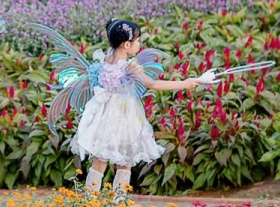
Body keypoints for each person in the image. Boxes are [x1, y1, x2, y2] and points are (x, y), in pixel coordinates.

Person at [73, 19, 215, 194]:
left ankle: (90, 202)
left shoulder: (103, 62)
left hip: (104, 115)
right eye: (137, 40)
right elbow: (153, 84)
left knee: (99, 161)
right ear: (126, 44)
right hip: (125, 116)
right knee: (125, 162)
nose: (139, 44)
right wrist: (185, 83)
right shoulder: (130, 66)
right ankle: (119, 202)